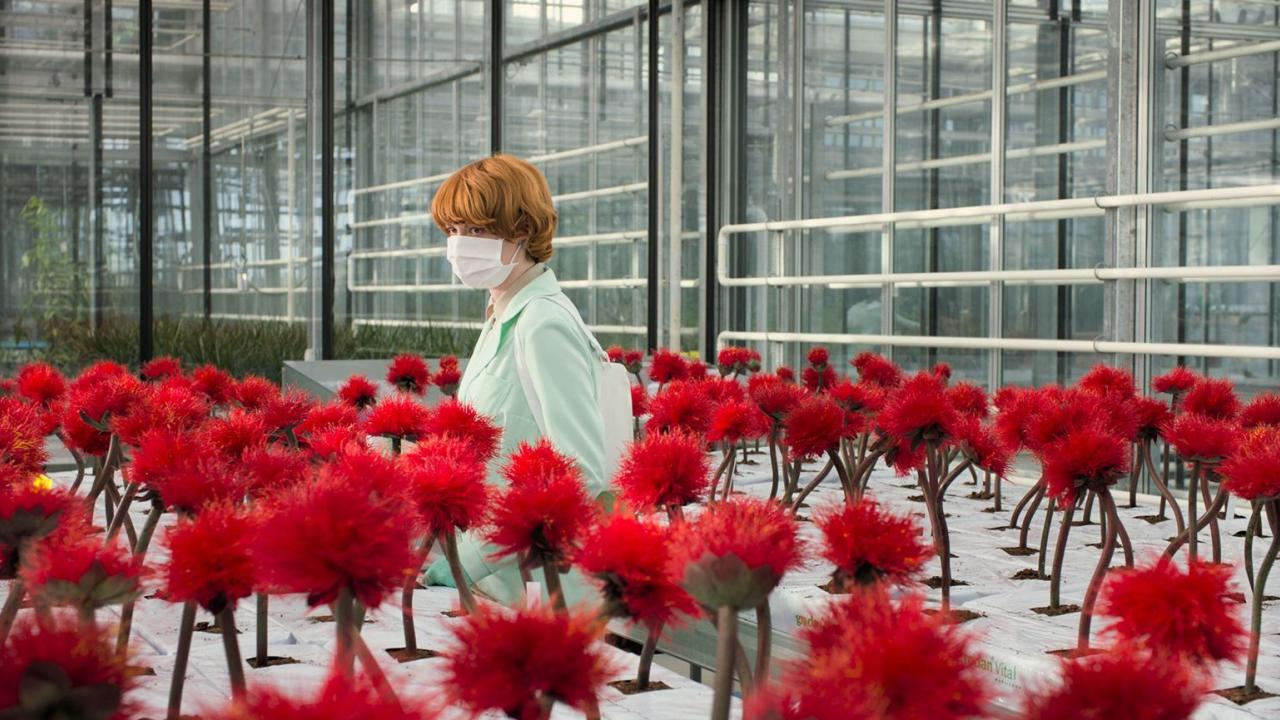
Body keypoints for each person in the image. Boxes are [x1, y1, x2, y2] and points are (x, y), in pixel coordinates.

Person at [423, 154, 610, 605]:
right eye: (453, 230)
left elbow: (581, 473)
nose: (459, 244)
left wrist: (466, 561)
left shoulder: (542, 324)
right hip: (488, 579)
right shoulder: (502, 317)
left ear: (523, 231)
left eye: (477, 230)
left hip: (530, 590)